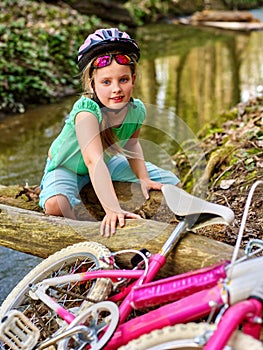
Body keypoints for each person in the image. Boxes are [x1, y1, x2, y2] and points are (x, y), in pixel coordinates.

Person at [39, 28, 180, 237]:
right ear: (92, 84)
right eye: (106, 82)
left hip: (107, 163)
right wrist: (112, 209)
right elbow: (92, 160)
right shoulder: (86, 111)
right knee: (55, 205)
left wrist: (143, 178)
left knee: (170, 183)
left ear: (133, 79)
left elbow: (132, 145)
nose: (116, 89)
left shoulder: (136, 109)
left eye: (123, 80)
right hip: (67, 167)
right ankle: (81, 234)